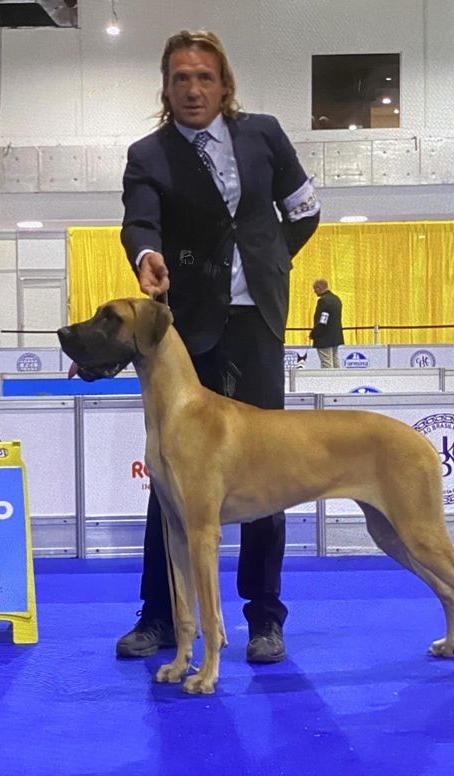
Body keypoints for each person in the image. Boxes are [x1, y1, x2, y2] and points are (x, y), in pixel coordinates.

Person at [118, 30, 320, 663]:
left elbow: (304, 209)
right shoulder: (148, 154)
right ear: (166, 88)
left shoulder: (264, 135)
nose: (193, 89)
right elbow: (139, 221)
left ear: (224, 84)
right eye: (180, 78)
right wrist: (146, 255)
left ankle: (264, 618)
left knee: (268, 469)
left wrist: (269, 261)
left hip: (256, 320)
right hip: (190, 326)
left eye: (204, 77)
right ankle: (159, 615)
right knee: (173, 478)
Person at [309, 279, 344, 368]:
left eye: (315, 289)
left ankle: (328, 377)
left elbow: (322, 320)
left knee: (326, 363)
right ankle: (338, 377)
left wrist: (314, 333)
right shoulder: (336, 299)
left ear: (319, 288)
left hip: (324, 337)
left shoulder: (323, 301)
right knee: (335, 360)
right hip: (335, 336)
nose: (314, 291)